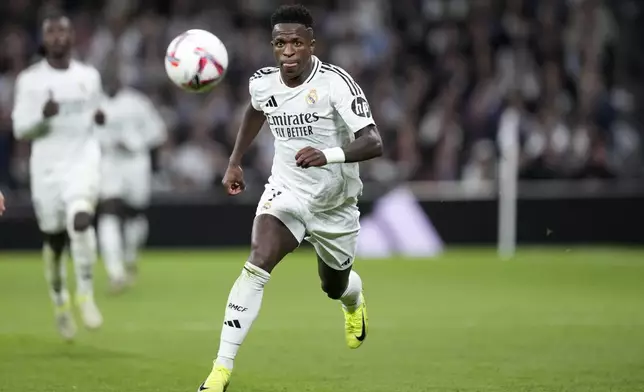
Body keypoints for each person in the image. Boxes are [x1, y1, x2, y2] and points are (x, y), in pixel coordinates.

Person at [198, 4, 383, 391]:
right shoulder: (264, 83)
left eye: (297, 42)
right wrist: (235, 162)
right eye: (280, 43)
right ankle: (221, 369)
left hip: (335, 203)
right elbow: (256, 111)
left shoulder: (336, 84)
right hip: (287, 192)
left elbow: (373, 142)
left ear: (312, 45)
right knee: (258, 262)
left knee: (333, 285)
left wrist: (328, 155)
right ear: (273, 45)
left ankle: (353, 299)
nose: (288, 51)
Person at [11, 11, 105, 341]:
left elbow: (95, 112)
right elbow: (20, 128)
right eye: (51, 32)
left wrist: (100, 116)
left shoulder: (89, 76)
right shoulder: (30, 80)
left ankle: (86, 294)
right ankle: (60, 300)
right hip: (47, 167)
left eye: (63, 31)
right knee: (54, 239)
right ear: (43, 38)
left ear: (72, 36)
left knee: (80, 219)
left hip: (82, 159)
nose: (58, 37)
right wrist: (43, 116)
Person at [96, 66, 167, 293]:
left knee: (135, 214)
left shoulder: (137, 102)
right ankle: (115, 272)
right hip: (108, 162)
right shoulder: (94, 105)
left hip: (135, 161)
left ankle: (130, 256)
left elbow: (158, 132)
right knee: (108, 210)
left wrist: (136, 142)